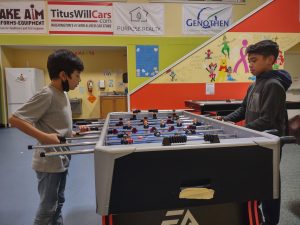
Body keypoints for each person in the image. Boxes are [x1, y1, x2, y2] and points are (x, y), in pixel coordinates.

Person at [218, 40, 292, 225]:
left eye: (254, 60)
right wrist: (225, 120)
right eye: (249, 61)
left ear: (270, 60)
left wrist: (237, 130)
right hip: (255, 141)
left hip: (269, 144)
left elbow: (266, 120)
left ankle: (271, 221)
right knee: (256, 182)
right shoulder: (254, 85)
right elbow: (242, 110)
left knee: (269, 185)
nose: (250, 64)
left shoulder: (274, 85)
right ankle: (257, 217)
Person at [9, 49, 84, 225]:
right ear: (63, 75)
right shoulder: (47, 94)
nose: (79, 80)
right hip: (48, 163)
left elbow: (58, 129)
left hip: (62, 159)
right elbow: (14, 119)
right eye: (77, 75)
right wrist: (45, 137)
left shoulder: (63, 94)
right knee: (47, 208)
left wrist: (74, 133)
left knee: (59, 202)